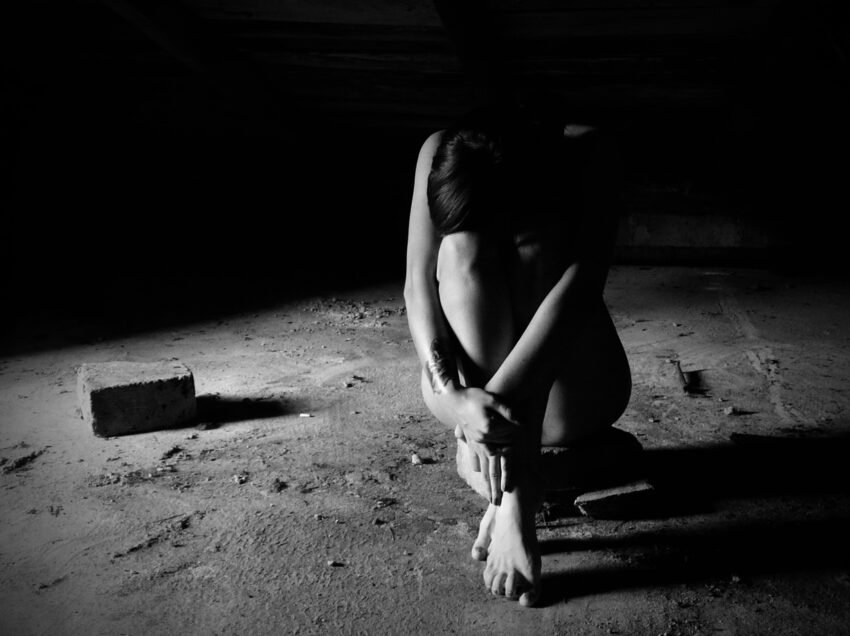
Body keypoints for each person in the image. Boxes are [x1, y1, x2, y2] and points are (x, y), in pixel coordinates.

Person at [404, 103, 632, 607]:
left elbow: (581, 290)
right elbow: (417, 286)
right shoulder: (438, 149)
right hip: (466, 397)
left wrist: (495, 428)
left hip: (574, 394)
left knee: (539, 247)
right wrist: (455, 397)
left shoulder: (590, 151)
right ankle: (512, 484)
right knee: (459, 249)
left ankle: (514, 491)